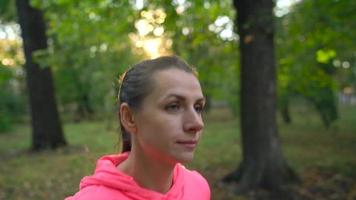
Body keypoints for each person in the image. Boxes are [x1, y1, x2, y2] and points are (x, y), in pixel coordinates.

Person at [65, 56, 211, 200]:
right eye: (173, 106)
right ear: (129, 117)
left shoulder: (197, 187)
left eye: (198, 108)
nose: (197, 124)